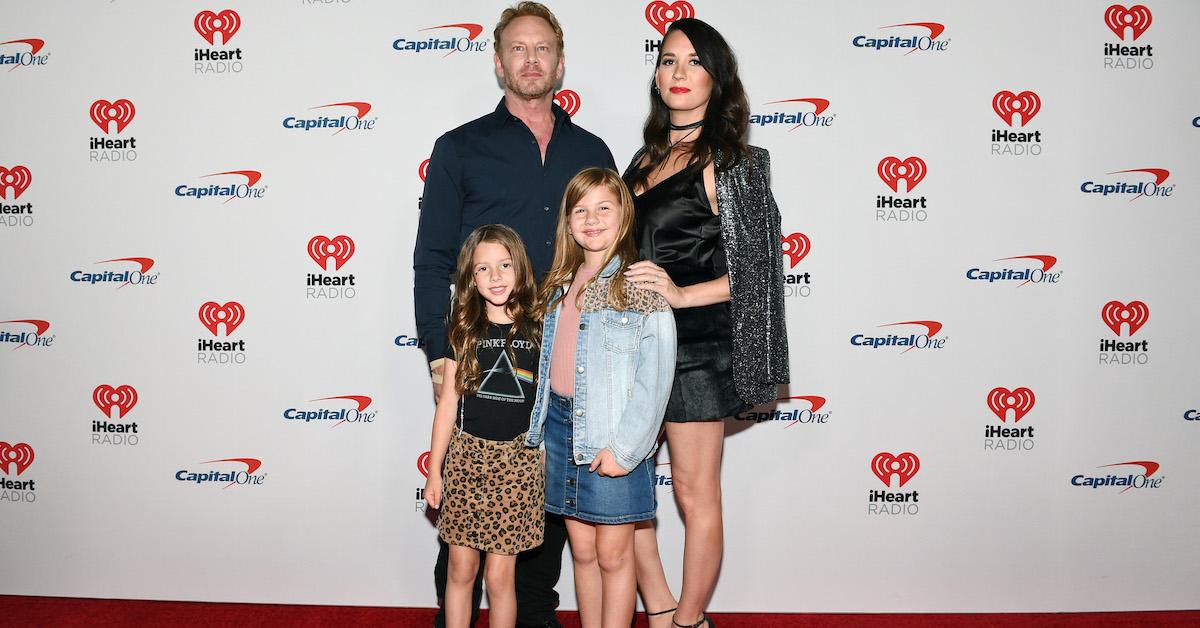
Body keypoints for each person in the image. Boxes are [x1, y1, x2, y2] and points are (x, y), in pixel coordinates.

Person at [413, 3, 616, 625]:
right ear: (499, 62)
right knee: (467, 533)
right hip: (479, 355)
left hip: (561, 354)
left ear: (560, 60)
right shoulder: (460, 148)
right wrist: (437, 352)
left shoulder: (592, 149)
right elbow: (431, 259)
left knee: (541, 496)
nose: (531, 60)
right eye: (518, 49)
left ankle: (533, 614)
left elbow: (611, 251)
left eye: (543, 48)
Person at [620, 18, 789, 628]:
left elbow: (760, 267)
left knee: (694, 497)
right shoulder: (642, 159)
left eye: (694, 62)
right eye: (668, 61)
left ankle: (690, 621)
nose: (679, 73)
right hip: (633, 351)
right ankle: (661, 607)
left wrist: (681, 294)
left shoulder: (733, 162)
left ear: (717, 81)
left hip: (694, 352)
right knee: (628, 495)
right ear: (657, 77)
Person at [525, 168, 676, 628]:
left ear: (624, 215)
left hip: (613, 434)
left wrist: (626, 449)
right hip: (561, 431)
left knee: (613, 554)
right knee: (584, 551)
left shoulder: (641, 285)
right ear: (568, 222)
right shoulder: (557, 285)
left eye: (603, 208)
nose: (592, 220)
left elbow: (657, 378)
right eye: (580, 210)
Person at [424, 225, 545, 628]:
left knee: (499, 578)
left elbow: (552, 400)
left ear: (521, 268)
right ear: (470, 278)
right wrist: (434, 470)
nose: (495, 278)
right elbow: (447, 405)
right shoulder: (462, 328)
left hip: (518, 463)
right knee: (460, 570)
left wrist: (544, 452)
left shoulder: (540, 325)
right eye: (483, 269)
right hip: (466, 460)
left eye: (505, 265)